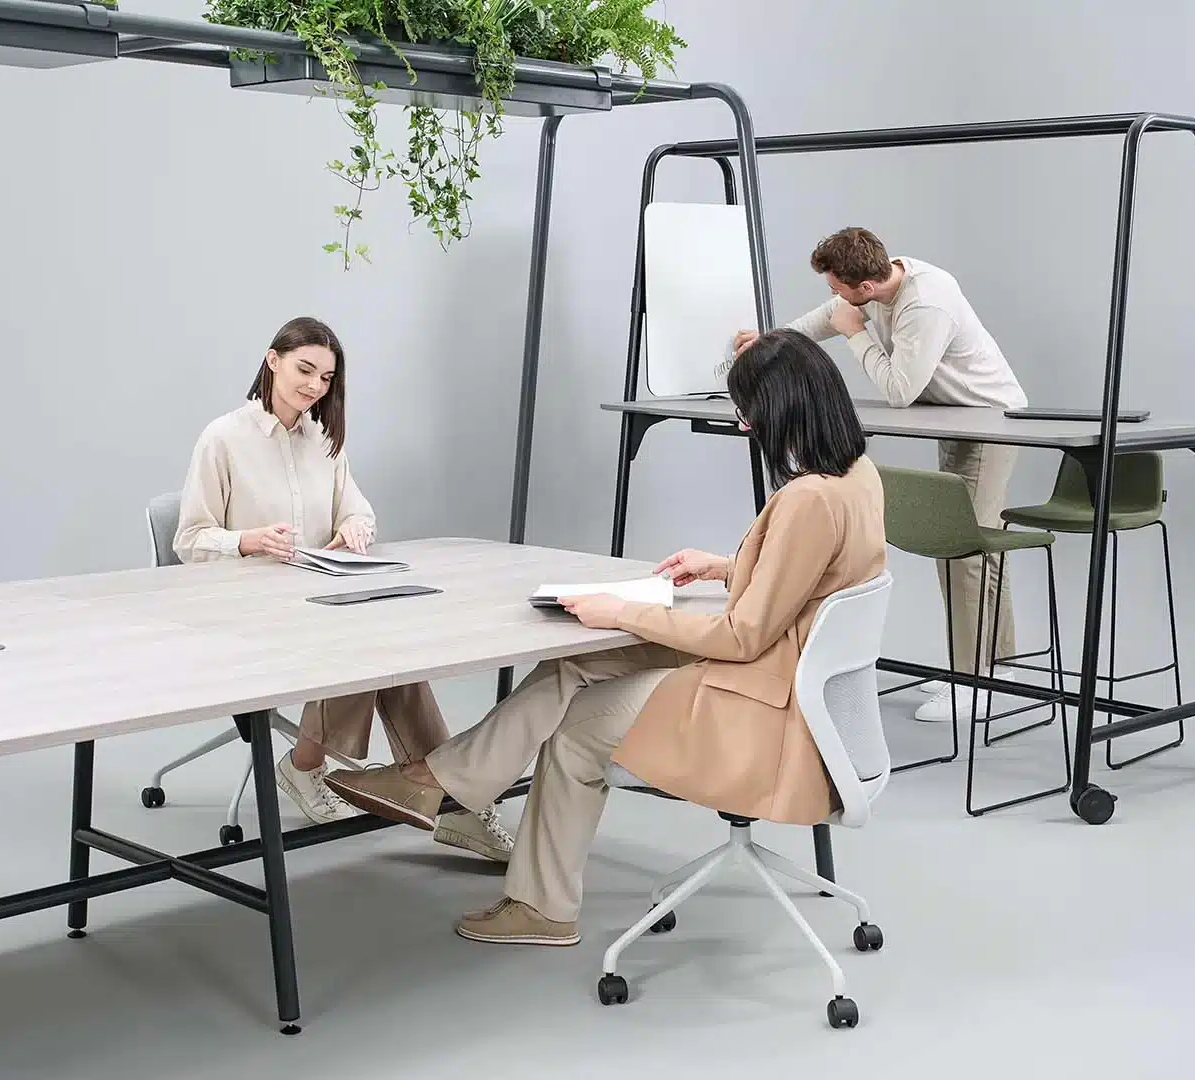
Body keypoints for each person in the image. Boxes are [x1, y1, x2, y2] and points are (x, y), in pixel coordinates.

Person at [320, 328, 886, 946]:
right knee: (574, 667)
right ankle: (437, 782)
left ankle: (541, 907)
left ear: (781, 407)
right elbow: (818, 574)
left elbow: (741, 637)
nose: (746, 427)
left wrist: (620, 609)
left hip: (758, 699)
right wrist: (725, 566)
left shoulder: (807, 499)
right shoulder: (857, 477)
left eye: (746, 412)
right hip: (789, 678)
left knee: (578, 725)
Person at [173, 315, 512, 862]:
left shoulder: (323, 440)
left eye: (326, 378)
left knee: (387, 643)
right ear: (272, 360)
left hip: (316, 595)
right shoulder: (223, 438)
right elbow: (190, 539)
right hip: (243, 607)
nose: (313, 386)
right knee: (370, 645)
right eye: (304, 369)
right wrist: (249, 540)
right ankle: (447, 799)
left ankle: (436, 796)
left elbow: (357, 507)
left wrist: (356, 527)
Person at [734, 226, 1028, 719]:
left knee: (963, 550)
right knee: (973, 547)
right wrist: (773, 341)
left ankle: (976, 683)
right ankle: (995, 669)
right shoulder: (879, 280)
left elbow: (899, 390)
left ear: (865, 288)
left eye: (837, 289)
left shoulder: (925, 303)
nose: (834, 299)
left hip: (988, 421)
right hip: (960, 420)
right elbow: (828, 318)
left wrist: (855, 333)